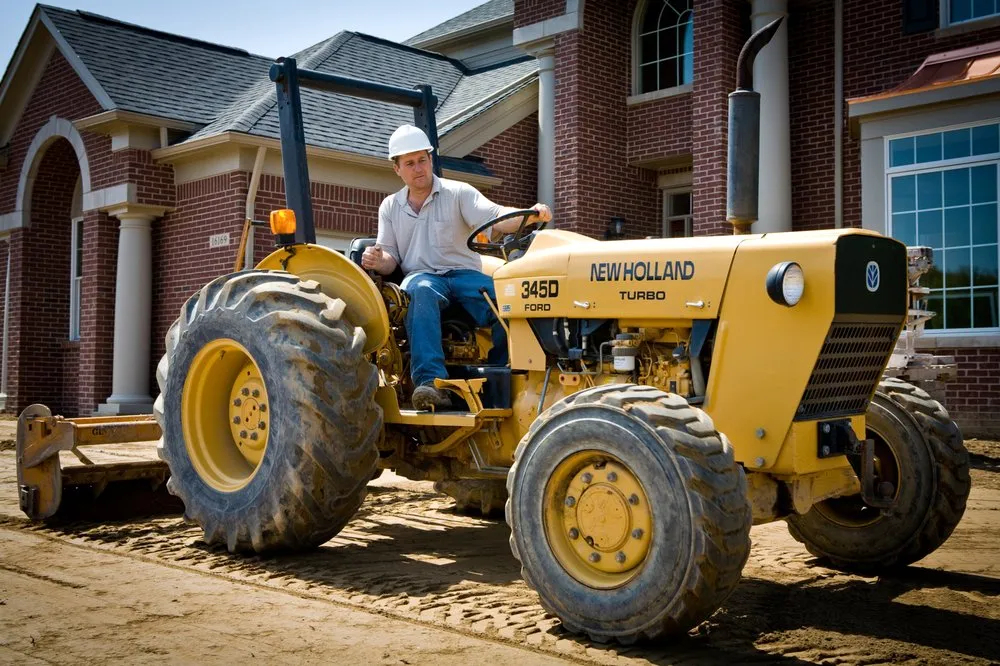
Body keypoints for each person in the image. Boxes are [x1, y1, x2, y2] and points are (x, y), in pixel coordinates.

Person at [362, 124, 552, 410]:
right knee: (421, 290)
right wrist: (379, 261)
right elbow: (390, 259)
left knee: (509, 299)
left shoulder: (459, 193)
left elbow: (498, 217)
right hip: (422, 276)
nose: (418, 168)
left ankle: (501, 374)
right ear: (397, 170)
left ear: (431, 159)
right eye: (410, 163)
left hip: (464, 275)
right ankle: (430, 383)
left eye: (422, 160)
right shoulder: (390, 207)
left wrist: (532, 214)